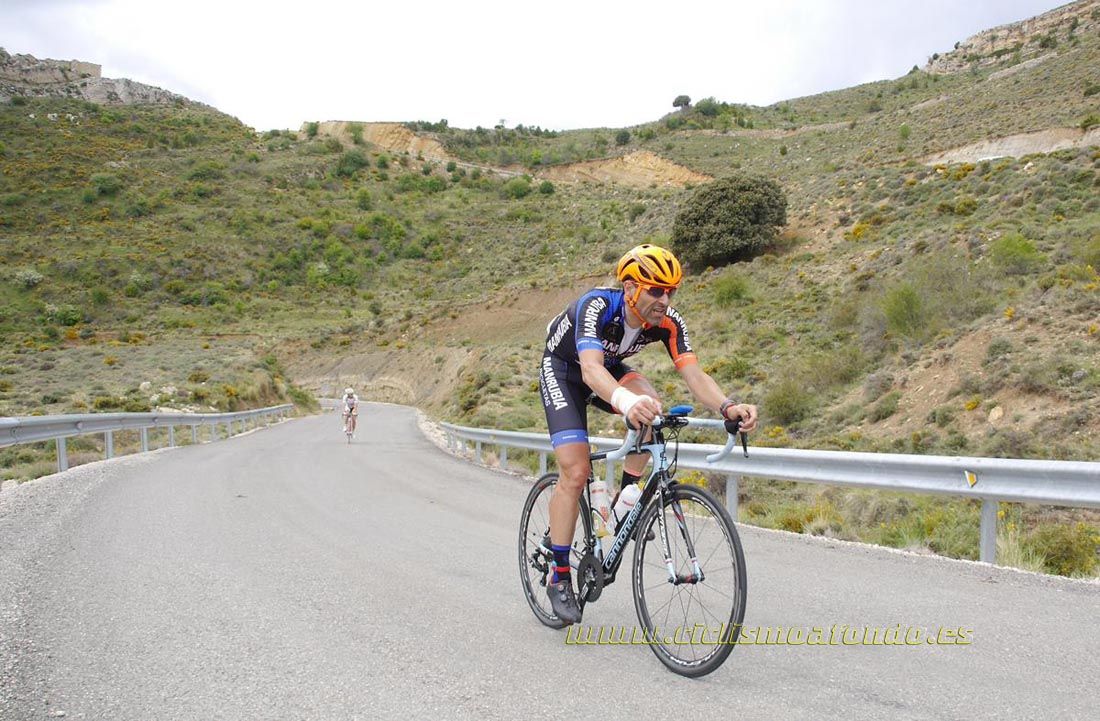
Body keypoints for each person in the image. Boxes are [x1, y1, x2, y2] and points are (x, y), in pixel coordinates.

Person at [538, 243, 758, 624]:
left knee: (652, 404)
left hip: (607, 369)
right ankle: (559, 576)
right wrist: (625, 402)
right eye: (655, 290)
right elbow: (590, 370)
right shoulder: (596, 306)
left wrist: (727, 406)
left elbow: (693, 374)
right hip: (566, 371)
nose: (665, 298)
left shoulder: (668, 321)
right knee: (575, 473)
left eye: (671, 290)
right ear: (630, 289)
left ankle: (626, 502)